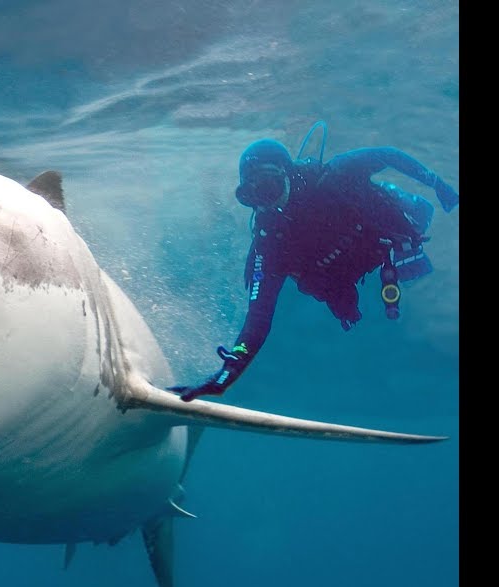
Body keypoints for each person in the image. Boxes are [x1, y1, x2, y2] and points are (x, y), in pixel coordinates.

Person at [169, 123, 459, 402]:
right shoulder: (269, 246)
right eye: (252, 195)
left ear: (287, 173)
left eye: (268, 187)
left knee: (416, 215)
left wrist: (438, 184)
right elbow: (258, 317)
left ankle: (411, 210)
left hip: (378, 241)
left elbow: (387, 153)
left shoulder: (336, 175)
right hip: (341, 272)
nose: (265, 203)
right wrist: (228, 372)